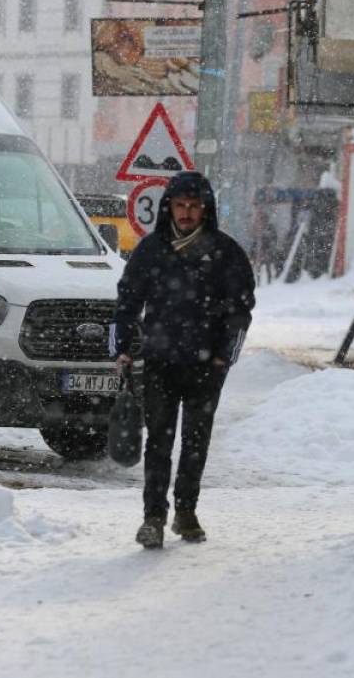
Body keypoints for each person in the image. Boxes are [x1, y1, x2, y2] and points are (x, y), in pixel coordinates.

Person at [110, 171, 255, 549]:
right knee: (158, 441)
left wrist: (225, 356)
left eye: (193, 206)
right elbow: (127, 300)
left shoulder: (226, 252)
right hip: (159, 362)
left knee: (195, 441)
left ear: (205, 209)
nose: (187, 213)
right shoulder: (150, 250)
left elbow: (241, 309)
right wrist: (123, 345)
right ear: (168, 208)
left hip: (207, 366)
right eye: (180, 205)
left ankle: (186, 511)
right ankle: (153, 518)